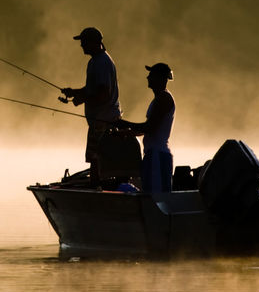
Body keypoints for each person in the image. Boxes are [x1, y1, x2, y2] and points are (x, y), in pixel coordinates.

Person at [61, 27, 122, 186]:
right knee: (98, 158)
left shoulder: (101, 62)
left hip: (103, 120)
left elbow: (103, 94)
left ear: (95, 43)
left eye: (84, 42)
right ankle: (99, 186)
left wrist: (82, 99)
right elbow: (92, 90)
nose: (81, 45)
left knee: (96, 158)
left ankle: (97, 188)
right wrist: (75, 92)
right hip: (102, 119)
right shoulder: (95, 61)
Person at [116, 63, 175, 193]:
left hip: (157, 156)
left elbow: (149, 128)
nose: (148, 77)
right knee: (151, 194)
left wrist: (125, 124)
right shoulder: (158, 99)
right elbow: (146, 129)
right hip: (152, 154)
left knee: (156, 197)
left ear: (160, 78)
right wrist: (126, 132)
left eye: (151, 75)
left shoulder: (164, 99)